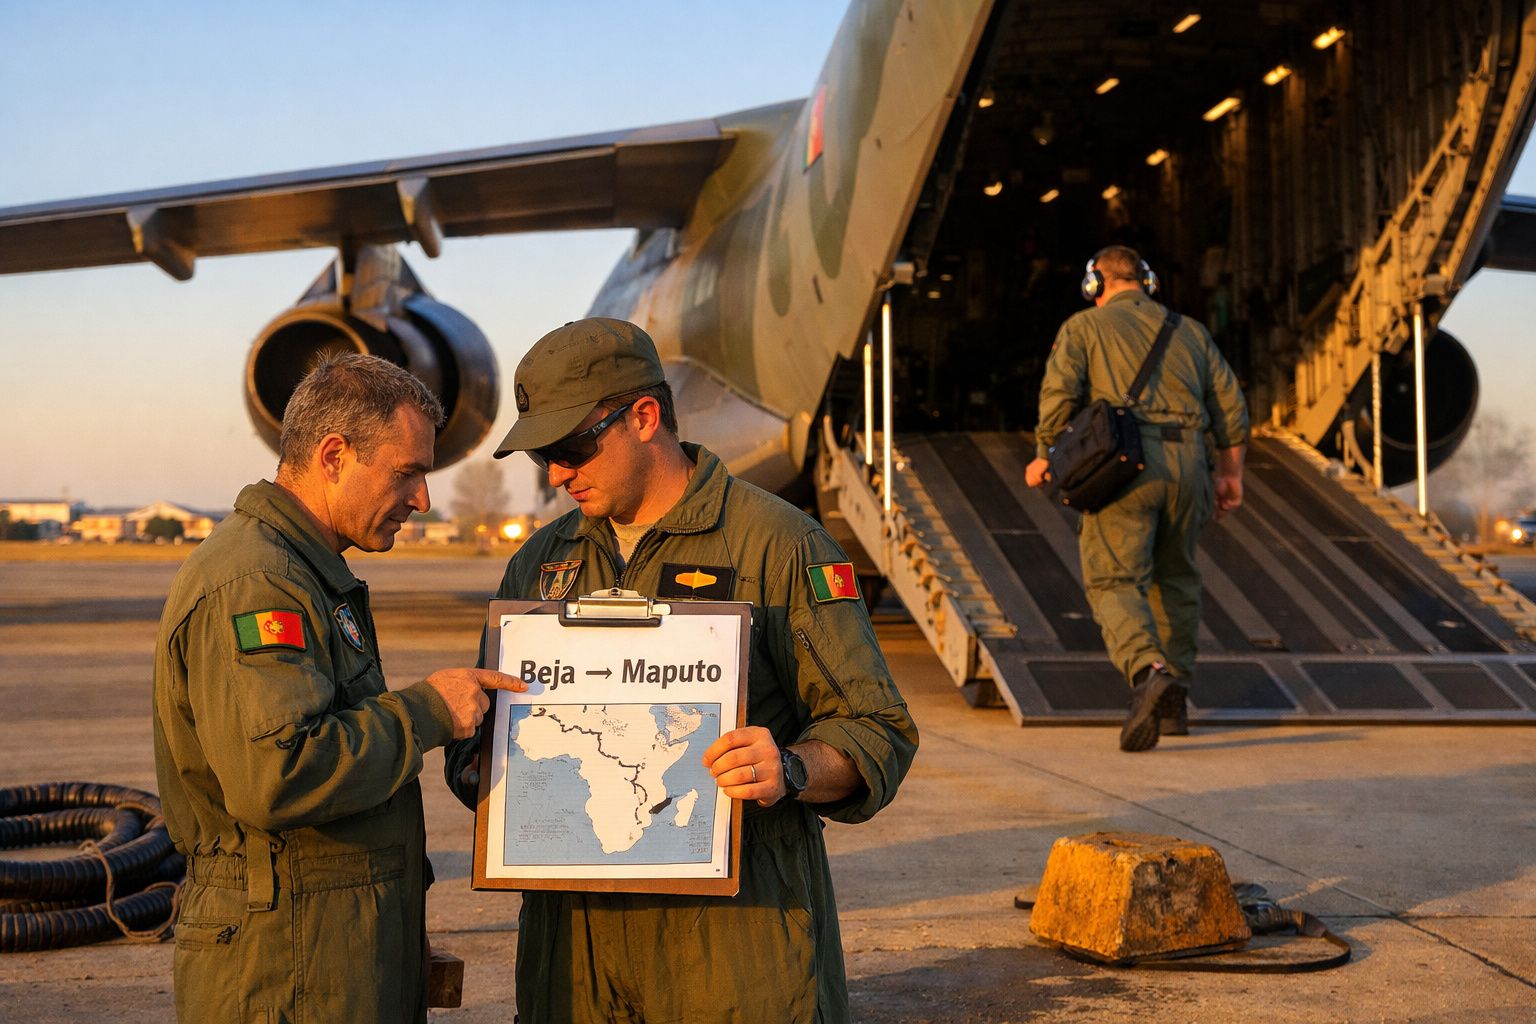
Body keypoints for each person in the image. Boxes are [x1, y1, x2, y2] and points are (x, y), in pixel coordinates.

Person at [443, 317, 919, 1023]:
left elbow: (877, 730)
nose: (558, 473)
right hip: (574, 953)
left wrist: (789, 768)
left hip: (734, 946)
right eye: (544, 453)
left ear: (644, 416)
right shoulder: (541, 563)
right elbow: (475, 754)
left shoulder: (780, 546)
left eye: (573, 445)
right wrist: (481, 758)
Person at [151, 353, 524, 1022]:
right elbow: (279, 773)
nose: (422, 501)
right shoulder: (257, 581)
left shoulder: (307, 573)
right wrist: (428, 710)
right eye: (406, 474)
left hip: (327, 946)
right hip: (286, 964)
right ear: (333, 456)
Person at [1025, 246, 1248, 752]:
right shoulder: (1190, 331)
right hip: (1190, 465)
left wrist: (1045, 455)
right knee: (1176, 580)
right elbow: (1231, 407)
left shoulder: (1084, 327)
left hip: (1126, 464)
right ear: (1145, 281)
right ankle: (1176, 704)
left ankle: (1149, 673)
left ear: (1094, 284)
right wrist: (1230, 474)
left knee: (1113, 578)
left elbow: (1059, 396)